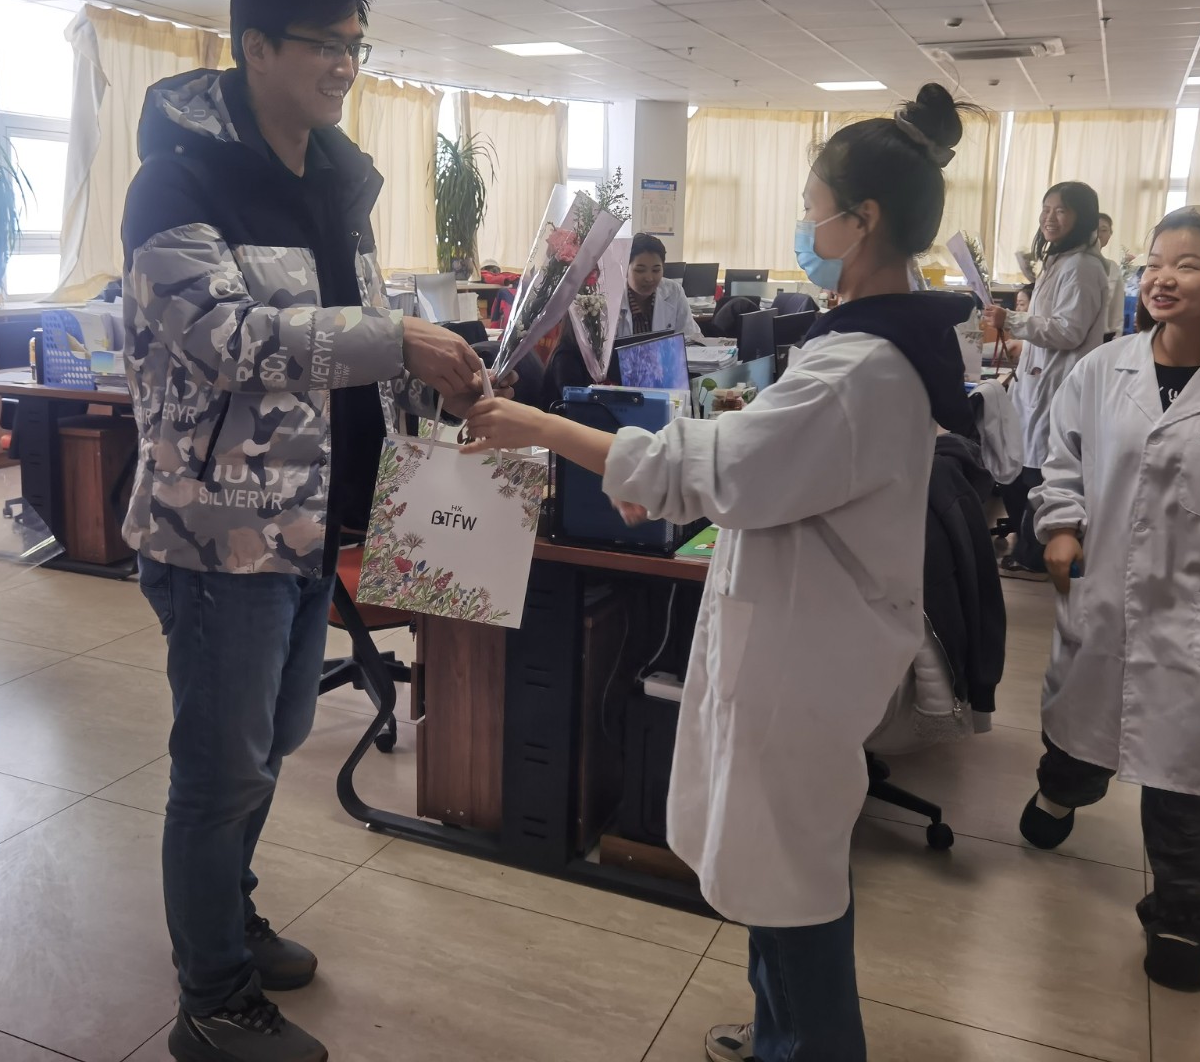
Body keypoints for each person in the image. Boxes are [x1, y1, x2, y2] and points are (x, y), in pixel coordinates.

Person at [463, 84, 977, 1062]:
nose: (805, 227)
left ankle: (810, 1046)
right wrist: (677, 472)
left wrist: (538, 427)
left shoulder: (859, 368)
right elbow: (766, 470)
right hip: (799, 630)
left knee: (792, 875)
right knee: (772, 861)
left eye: (813, 207)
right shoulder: (865, 345)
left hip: (803, 653)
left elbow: (722, 469)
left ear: (861, 221)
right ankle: (779, 1030)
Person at [120, 0, 496, 1062]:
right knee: (219, 768)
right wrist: (399, 339)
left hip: (309, 523)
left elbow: (349, 352)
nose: (344, 65)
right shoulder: (175, 182)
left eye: (355, 45)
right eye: (324, 44)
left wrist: (435, 388)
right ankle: (212, 1000)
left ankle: (227, 917)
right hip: (217, 531)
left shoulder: (337, 179)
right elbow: (224, 340)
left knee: (273, 741)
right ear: (255, 48)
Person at [1021, 205, 1200, 993]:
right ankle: (1061, 792)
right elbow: (1062, 456)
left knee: (1189, 784)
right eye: (1153, 262)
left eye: (1187, 264)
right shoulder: (1102, 369)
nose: (1162, 278)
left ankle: (1181, 916)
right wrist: (1061, 524)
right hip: (1107, 598)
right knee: (1081, 737)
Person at [983, 182, 1109, 577]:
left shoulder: (1083, 267)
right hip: (1039, 380)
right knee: (1025, 466)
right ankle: (1031, 549)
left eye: (1061, 210)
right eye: (1046, 208)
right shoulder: (1061, 260)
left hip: (1057, 383)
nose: (1049, 218)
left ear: (1082, 217)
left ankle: (1036, 556)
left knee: (1041, 472)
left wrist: (1013, 320)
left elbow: (1069, 331)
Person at [615, 233, 705, 342]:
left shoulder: (674, 291)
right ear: (625, 269)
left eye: (656, 270)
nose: (649, 278)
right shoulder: (611, 298)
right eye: (640, 270)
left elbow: (690, 337)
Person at [1096, 213, 1129, 342]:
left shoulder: (1112, 268)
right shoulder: (1075, 264)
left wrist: (1116, 339)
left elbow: (1117, 310)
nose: (1099, 234)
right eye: (1095, 229)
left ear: (1110, 234)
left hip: (1102, 339)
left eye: (1104, 230)